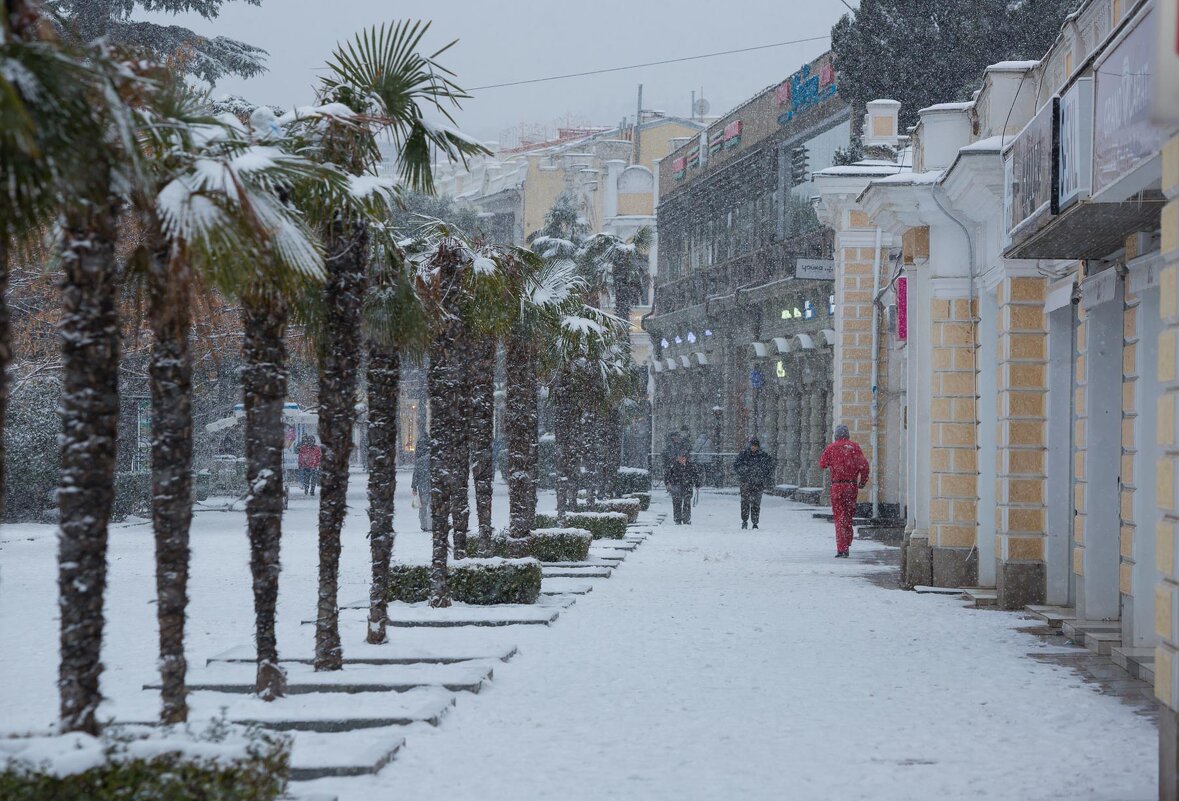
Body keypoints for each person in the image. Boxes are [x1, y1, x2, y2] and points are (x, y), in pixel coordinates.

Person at [819, 424, 870, 558]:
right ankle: (847, 540)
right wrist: (862, 481)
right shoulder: (855, 447)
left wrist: (834, 464)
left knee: (838, 517)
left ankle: (841, 548)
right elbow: (864, 466)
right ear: (847, 434)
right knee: (848, 515)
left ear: (836, 435)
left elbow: (822, 464)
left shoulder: (831, 448)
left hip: (837, 486)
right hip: (851, 486)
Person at [733, 438, 776, 529]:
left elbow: (770, 467)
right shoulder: (744, 454)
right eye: (752, 446)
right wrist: (744, 472)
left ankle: (755, 522)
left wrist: (763, 474)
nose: (753, 448)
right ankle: (744, 521)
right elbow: (736, 465)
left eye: (755, 446)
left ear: (758, 447)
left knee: (756, 503)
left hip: (758, 483)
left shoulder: (763, 456)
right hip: (746, 482)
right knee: (745, 502)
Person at [665, 452, 702, 525]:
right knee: (676, 503)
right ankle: (677, 519)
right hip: (676, 486)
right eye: (681, 458)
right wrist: (668, 483)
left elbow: (696, 476)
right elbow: (667, 475)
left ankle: (686, 519)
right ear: (677, 458)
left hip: (687, 486)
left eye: (684, 458)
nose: (682, 460)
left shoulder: (691, 466)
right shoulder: (673, 466)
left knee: (687, 503)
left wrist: (697, 485)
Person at [411, 447, 431, 532]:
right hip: (433, 486)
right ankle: (430, 524)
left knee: (423, 506)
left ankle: (423, 524)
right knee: (431, 506)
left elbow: (415, 475)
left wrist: (414, 487)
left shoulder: (419, 461)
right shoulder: (434, 460)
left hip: (423, 487)